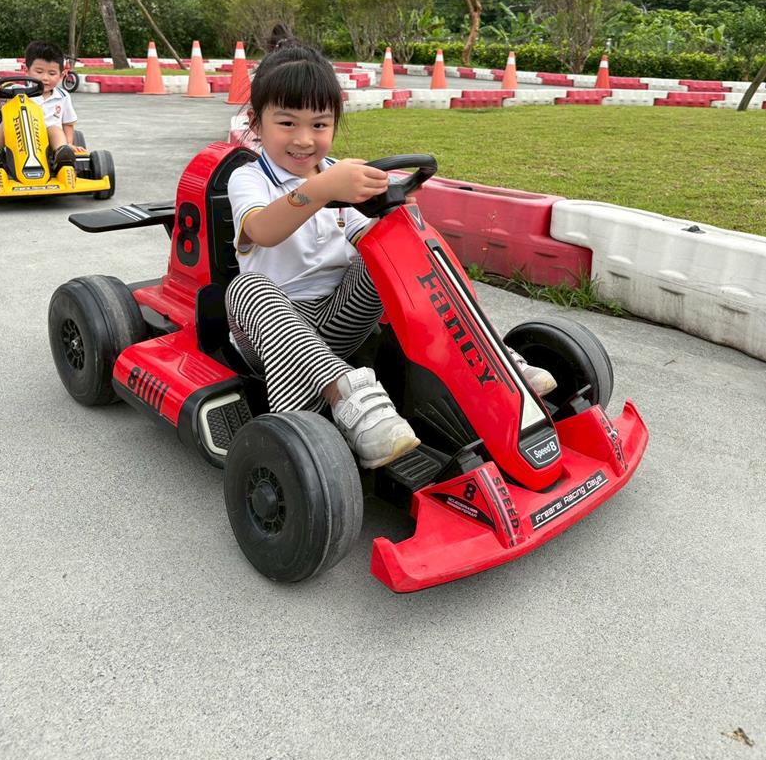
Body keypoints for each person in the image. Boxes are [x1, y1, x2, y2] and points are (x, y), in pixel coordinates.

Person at [226, 37, 556, 471]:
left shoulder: (338, 174)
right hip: (271, 333)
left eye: (319, 125)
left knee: (401, 250)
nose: (304, 140)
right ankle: (346, 396)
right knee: (246, 287)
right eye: (288, 123)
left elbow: (373, 243)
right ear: (256, 122)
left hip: (339, 320)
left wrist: (396, 221)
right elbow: (262, 231)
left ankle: (489, 359)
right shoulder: (249, 179)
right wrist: (321, 189)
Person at [0, 40, 77, 173]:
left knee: (55, 129)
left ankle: (62, 153)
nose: (45, 78)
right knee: (6, 123)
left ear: (61, 76)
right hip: (20, 136)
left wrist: (69, 143)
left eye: (52, 74)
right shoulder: (16, 91)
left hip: (48, 141)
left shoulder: (63, 97)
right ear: (27, 71)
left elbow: (68, 123)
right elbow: (1, 100)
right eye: (39, 72)